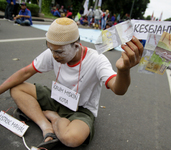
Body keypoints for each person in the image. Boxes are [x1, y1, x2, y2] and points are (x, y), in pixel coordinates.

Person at [0, 18, 143, 149]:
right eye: (51, 49)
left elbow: (119, 89)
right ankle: (46, 127)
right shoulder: (53, 53)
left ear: (76, 46)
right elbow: (25, 72)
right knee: (16, 88)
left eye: (59, 52)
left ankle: (54, 117)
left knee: (72, 139)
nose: (54, 56)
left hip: (81, 110)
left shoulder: (97, 60)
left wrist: (123, 70)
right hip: (58, 98)